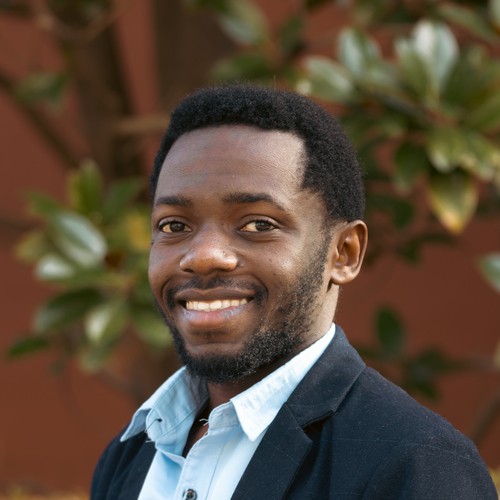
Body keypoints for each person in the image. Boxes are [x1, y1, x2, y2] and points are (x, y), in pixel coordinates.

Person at [91, 85, 496, 499]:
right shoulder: (129, 456)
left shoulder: (419, 465)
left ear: (344, 253)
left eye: (258, 224)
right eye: (174, 225)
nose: (204, 256)